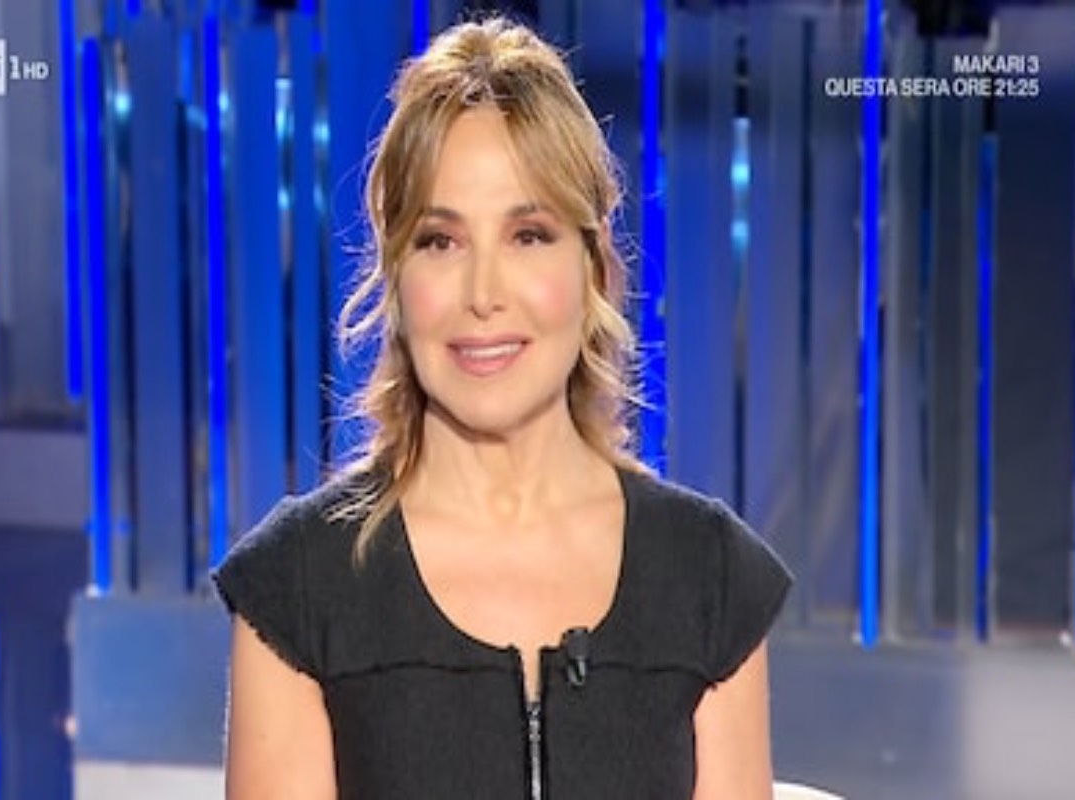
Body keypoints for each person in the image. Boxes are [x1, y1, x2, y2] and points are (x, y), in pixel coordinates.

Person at [213, 16, 791, 800]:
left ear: (592, 267)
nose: (483, 295)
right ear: (396, 278)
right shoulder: (299, 590)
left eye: (528, 235)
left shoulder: (708, 580)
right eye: (440, 242)